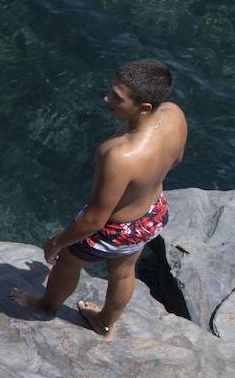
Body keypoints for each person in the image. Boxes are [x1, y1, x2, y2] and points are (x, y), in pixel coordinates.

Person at [13, 59, 188, 340]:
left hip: (114, 230)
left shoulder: (119, 154)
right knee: (123, 270)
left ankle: (47, 305)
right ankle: (105, 323)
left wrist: (57, 243)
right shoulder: (173, 114)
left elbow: (95, 220)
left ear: (144, 107)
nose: (106, 99)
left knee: (68, 262)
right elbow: (177, 159)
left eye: (117, 98)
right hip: (152, 214)